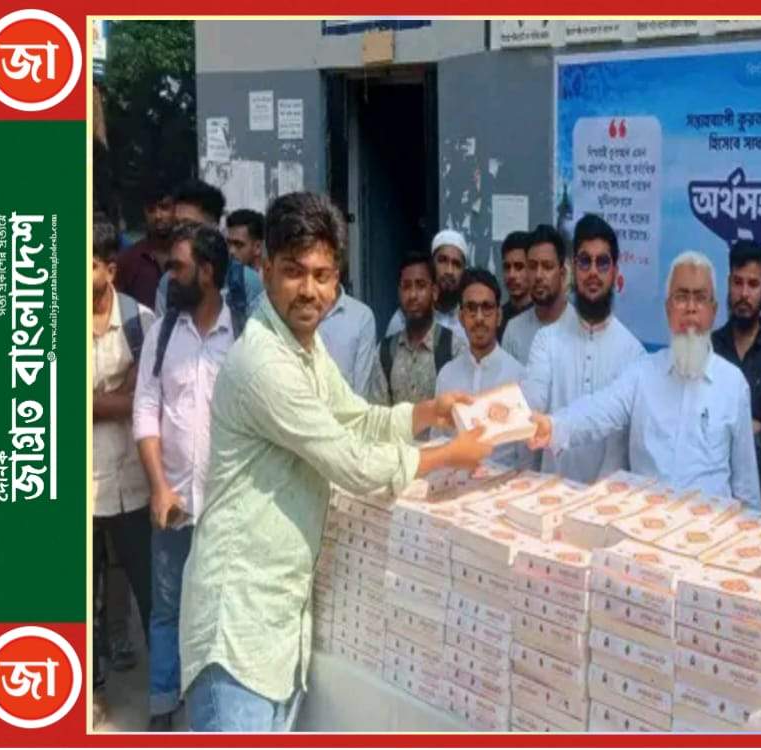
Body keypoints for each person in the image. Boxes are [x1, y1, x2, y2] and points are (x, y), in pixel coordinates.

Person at [179, 192, 492, 732]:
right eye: (294, 271)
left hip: (278, 623)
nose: (310, 290)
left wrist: (428, 412)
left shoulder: (304, 346)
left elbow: (355, 417)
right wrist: (447, 455)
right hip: (237, 628)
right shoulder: (264, 363)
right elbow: (350, 462)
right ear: (266, 268)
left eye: (323, 275)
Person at [539, 251, 760, 507]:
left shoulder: (733, 384)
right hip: (645, 521)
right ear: (668, 309)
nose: (690, 308)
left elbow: (746, 487)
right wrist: (552, 426)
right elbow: (598, 410)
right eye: (681, 297)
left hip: (707, 527)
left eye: (700, 298)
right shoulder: (642, 373)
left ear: (714, 311)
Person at [132, 223, 237, 731]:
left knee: (220, 611)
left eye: (178, 266)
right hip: (172, 500)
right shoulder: (162, 333)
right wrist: (158, 486)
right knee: (167, 608)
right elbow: (145, 409)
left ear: (208, 272)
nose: (169, 276)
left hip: (227, 507)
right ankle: (162, 706)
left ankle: (212, 712)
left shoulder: (243, 335)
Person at [521, 214, 646, 483]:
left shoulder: (633, 353)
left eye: (602, 262)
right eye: (585, 261)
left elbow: (620, 442)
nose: (593, 272)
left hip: (604, 499)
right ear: (573, 268)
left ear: (615, 271)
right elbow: (532, 411)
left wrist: (595, 498)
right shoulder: (546, 341)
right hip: (548, 493)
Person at [91, 213, 155, 727]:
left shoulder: (141, 321)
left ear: (110, 270)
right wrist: (120, 396)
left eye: (85, 264)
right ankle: (88, 690)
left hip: (135, 484)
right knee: (80, 597)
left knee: (151, 591)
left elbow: (148, 400)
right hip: (80, 487)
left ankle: (165, 692)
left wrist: (94, 400)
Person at [711, 241, 761, 512]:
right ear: (728, 284)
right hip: (714, 493)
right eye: (738, 282)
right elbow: (698, 426)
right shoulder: (709, 348)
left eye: (753, 284)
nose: (744, 293)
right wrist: (752, 424)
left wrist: (725, 428)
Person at [435, 268, 529, 468]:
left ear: (499, 315)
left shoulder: (519, 377)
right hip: (455, 483)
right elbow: (438, 442)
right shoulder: (446, 376)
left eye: (486, 308)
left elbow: (526, 457)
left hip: (505, 483)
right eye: (471, 308)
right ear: (461, 317)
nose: (479, 318)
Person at [155, 181, 264, 319]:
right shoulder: (168, 282)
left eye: (189, 226)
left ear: (214, 228)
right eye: (176, 225)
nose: (179, 232)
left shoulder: (246, 283)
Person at [372, 252, 464, 406]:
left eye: (421, 285)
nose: (413, 295)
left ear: (434, 292)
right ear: (399, 292)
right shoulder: (385, 352)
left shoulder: (454, 348)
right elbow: (379, 414)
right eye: (406, 286)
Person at [502, 224, 575, 364]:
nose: (538, 275)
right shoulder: (514, 330)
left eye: (547, 267)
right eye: (532, 266)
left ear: (562, 274)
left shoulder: (581, 327)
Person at [383, 230, 470, 343]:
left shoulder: (470, 320)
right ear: (431, 264)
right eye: (442, 260)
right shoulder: (403, 319)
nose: (449, 271)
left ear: (463, 272)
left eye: (456, 264)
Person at [114, 186, 175, 308]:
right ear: (144, 213)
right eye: (151, 210)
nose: (158, 216)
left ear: (175, 210)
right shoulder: (128, 260)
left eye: (164, 207)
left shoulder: (189, 256)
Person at [318, 280, 379, 400]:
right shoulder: (300, 315)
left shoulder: (361, 316)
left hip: (346, 410)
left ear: (336, 273)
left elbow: (361, 392)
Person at [498, 230, 533, 342]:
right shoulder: (497, 319)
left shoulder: (545, 316)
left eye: (519, 267)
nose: (511, 275)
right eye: (507, 267)